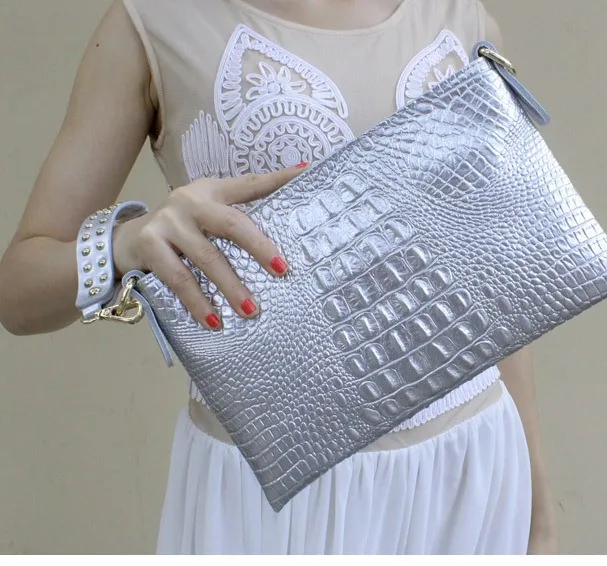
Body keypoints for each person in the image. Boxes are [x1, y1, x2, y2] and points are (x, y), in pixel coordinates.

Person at [0, 0, 558, 555]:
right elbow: (18, 295)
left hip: (474, 465)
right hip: (270, 493)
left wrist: (540, 516)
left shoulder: (461, 17)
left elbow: (496, 288)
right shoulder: (151, 25)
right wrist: (126, 243)